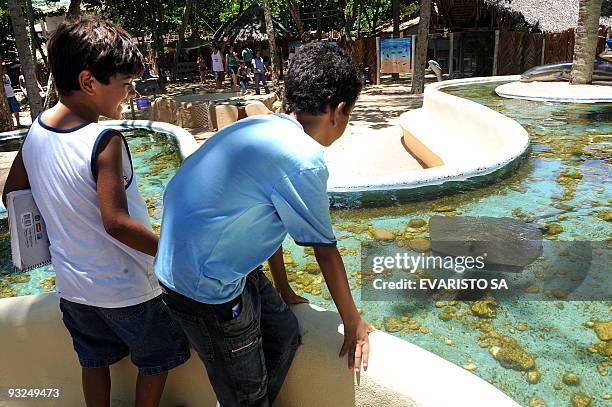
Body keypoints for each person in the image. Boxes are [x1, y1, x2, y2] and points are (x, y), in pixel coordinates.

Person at [156, 42, 372, 407]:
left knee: (285, 334)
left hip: (197, 265)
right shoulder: (304, 159)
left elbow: (268, 221)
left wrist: (284, 289)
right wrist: (353, 323)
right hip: (204, 291)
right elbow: (325, 251)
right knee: (246, 395)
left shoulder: (261, 126)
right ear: (338, 112)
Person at [2, 16, 190, 407]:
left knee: (94, 361)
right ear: (89, 82)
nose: (128, 94)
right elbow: (116, 222)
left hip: (74, 289)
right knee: (158, 358)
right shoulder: (104, 140)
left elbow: (13, 193)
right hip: (128, 290)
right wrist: (177, 251)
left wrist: (60, 220)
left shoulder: (37, 131)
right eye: (123, 85)